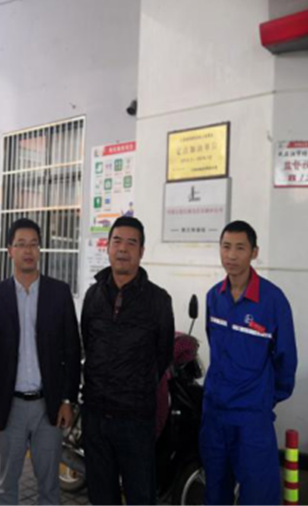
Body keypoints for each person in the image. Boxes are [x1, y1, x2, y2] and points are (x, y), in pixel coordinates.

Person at [0, 218, 81, 505]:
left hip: (49, 407)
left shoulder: (59, 293)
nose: (28, 250)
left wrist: (68, 400)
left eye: (33, 244)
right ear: (10, 250)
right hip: (9, 407)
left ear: (40, 249)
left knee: (49, 488)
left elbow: (72, 350)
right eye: (21, 244)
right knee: (6, 486)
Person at [201, 220, 298, 505]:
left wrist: (264, 397)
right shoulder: (213, 297)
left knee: (258, 495)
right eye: (226, 247)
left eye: (240, 248)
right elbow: (214, 345)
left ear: (254, 252)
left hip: (251, 418)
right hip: (215, 414)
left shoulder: (273, 300)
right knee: (215, 491)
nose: (231, 255)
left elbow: (286, 360)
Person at [81, 216, 175, 505]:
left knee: (140, 496)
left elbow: (163, 354)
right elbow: (87, 342)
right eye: (117, 241)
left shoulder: (158, 300)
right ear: (108, 247)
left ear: (141, 251)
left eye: (131, 243)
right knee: (101, 497)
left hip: (135, 419)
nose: (123, 249)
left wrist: (137, 385)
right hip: (96, 417)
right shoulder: (93, 295)